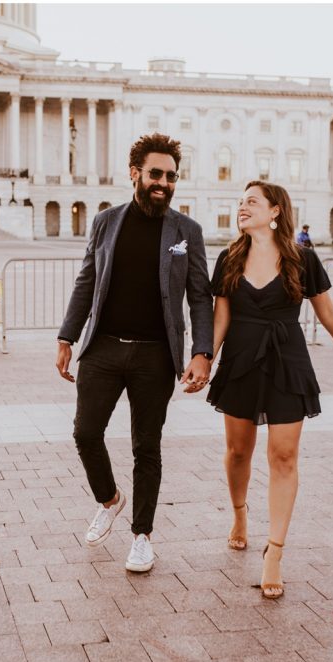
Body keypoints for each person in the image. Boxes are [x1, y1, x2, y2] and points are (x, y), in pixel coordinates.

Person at [56, 133, 213, 573]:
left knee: (147, 446)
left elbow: (201, 296)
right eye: (155, 174)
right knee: (86, 433)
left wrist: (203, 352)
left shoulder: (188, 232)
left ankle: (142, 535)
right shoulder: (106, 221)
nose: (164, 182)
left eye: (171, 176)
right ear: (135, 174)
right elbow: (86, 281)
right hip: (103, 348)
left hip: (155, 356)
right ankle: (109, 499)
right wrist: (67, 336)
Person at [207, 180, 333, 598]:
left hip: (287, 360)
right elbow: (220, 317)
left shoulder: (302, 259)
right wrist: (205, 359)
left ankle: (274, 552)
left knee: (284, 455)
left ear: (276, 210)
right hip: (241, 359)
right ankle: (240, 514)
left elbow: (327, 312)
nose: (242, 208)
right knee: (239, 450)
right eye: (240, 203)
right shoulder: (228, 258)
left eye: (251, 202)